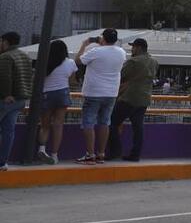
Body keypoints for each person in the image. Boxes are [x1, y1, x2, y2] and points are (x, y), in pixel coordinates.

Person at [75, 29, 126, 164]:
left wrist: (84, 44)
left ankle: (90, 154)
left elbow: (78, 61)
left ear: (103, 38)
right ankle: (101, 154)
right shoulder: (121, 52)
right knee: (105, 123)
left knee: (88, 123)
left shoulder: (96, 51)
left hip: (94, 92)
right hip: (111, 93)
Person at [106, 37, 157, 162]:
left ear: (139, 48)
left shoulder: (133, 61)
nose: (132, 49)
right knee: (138, 128)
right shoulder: (154, 62)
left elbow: (121, 76)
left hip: (129, 97)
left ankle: (115, 151)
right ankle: (135, 154)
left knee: (112, 123)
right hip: (144, 98)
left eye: (133, 47)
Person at [35, 38, 76, 164]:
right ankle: (54, 155)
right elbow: (72, 82)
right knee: (58, 125)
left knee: (45, 125)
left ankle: (42, 149)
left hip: (46, 94)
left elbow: (36, 79)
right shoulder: (70, 62)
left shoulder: (44, 62)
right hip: (62, 94)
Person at [0, 31, 33, 171]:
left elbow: (4, 77)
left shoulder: (6, 56)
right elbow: (29, 76)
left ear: (6, 42)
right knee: (8, 132)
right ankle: (2, 162)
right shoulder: (25, 56)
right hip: (20, 100)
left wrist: (6, 94)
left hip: (6, 99)